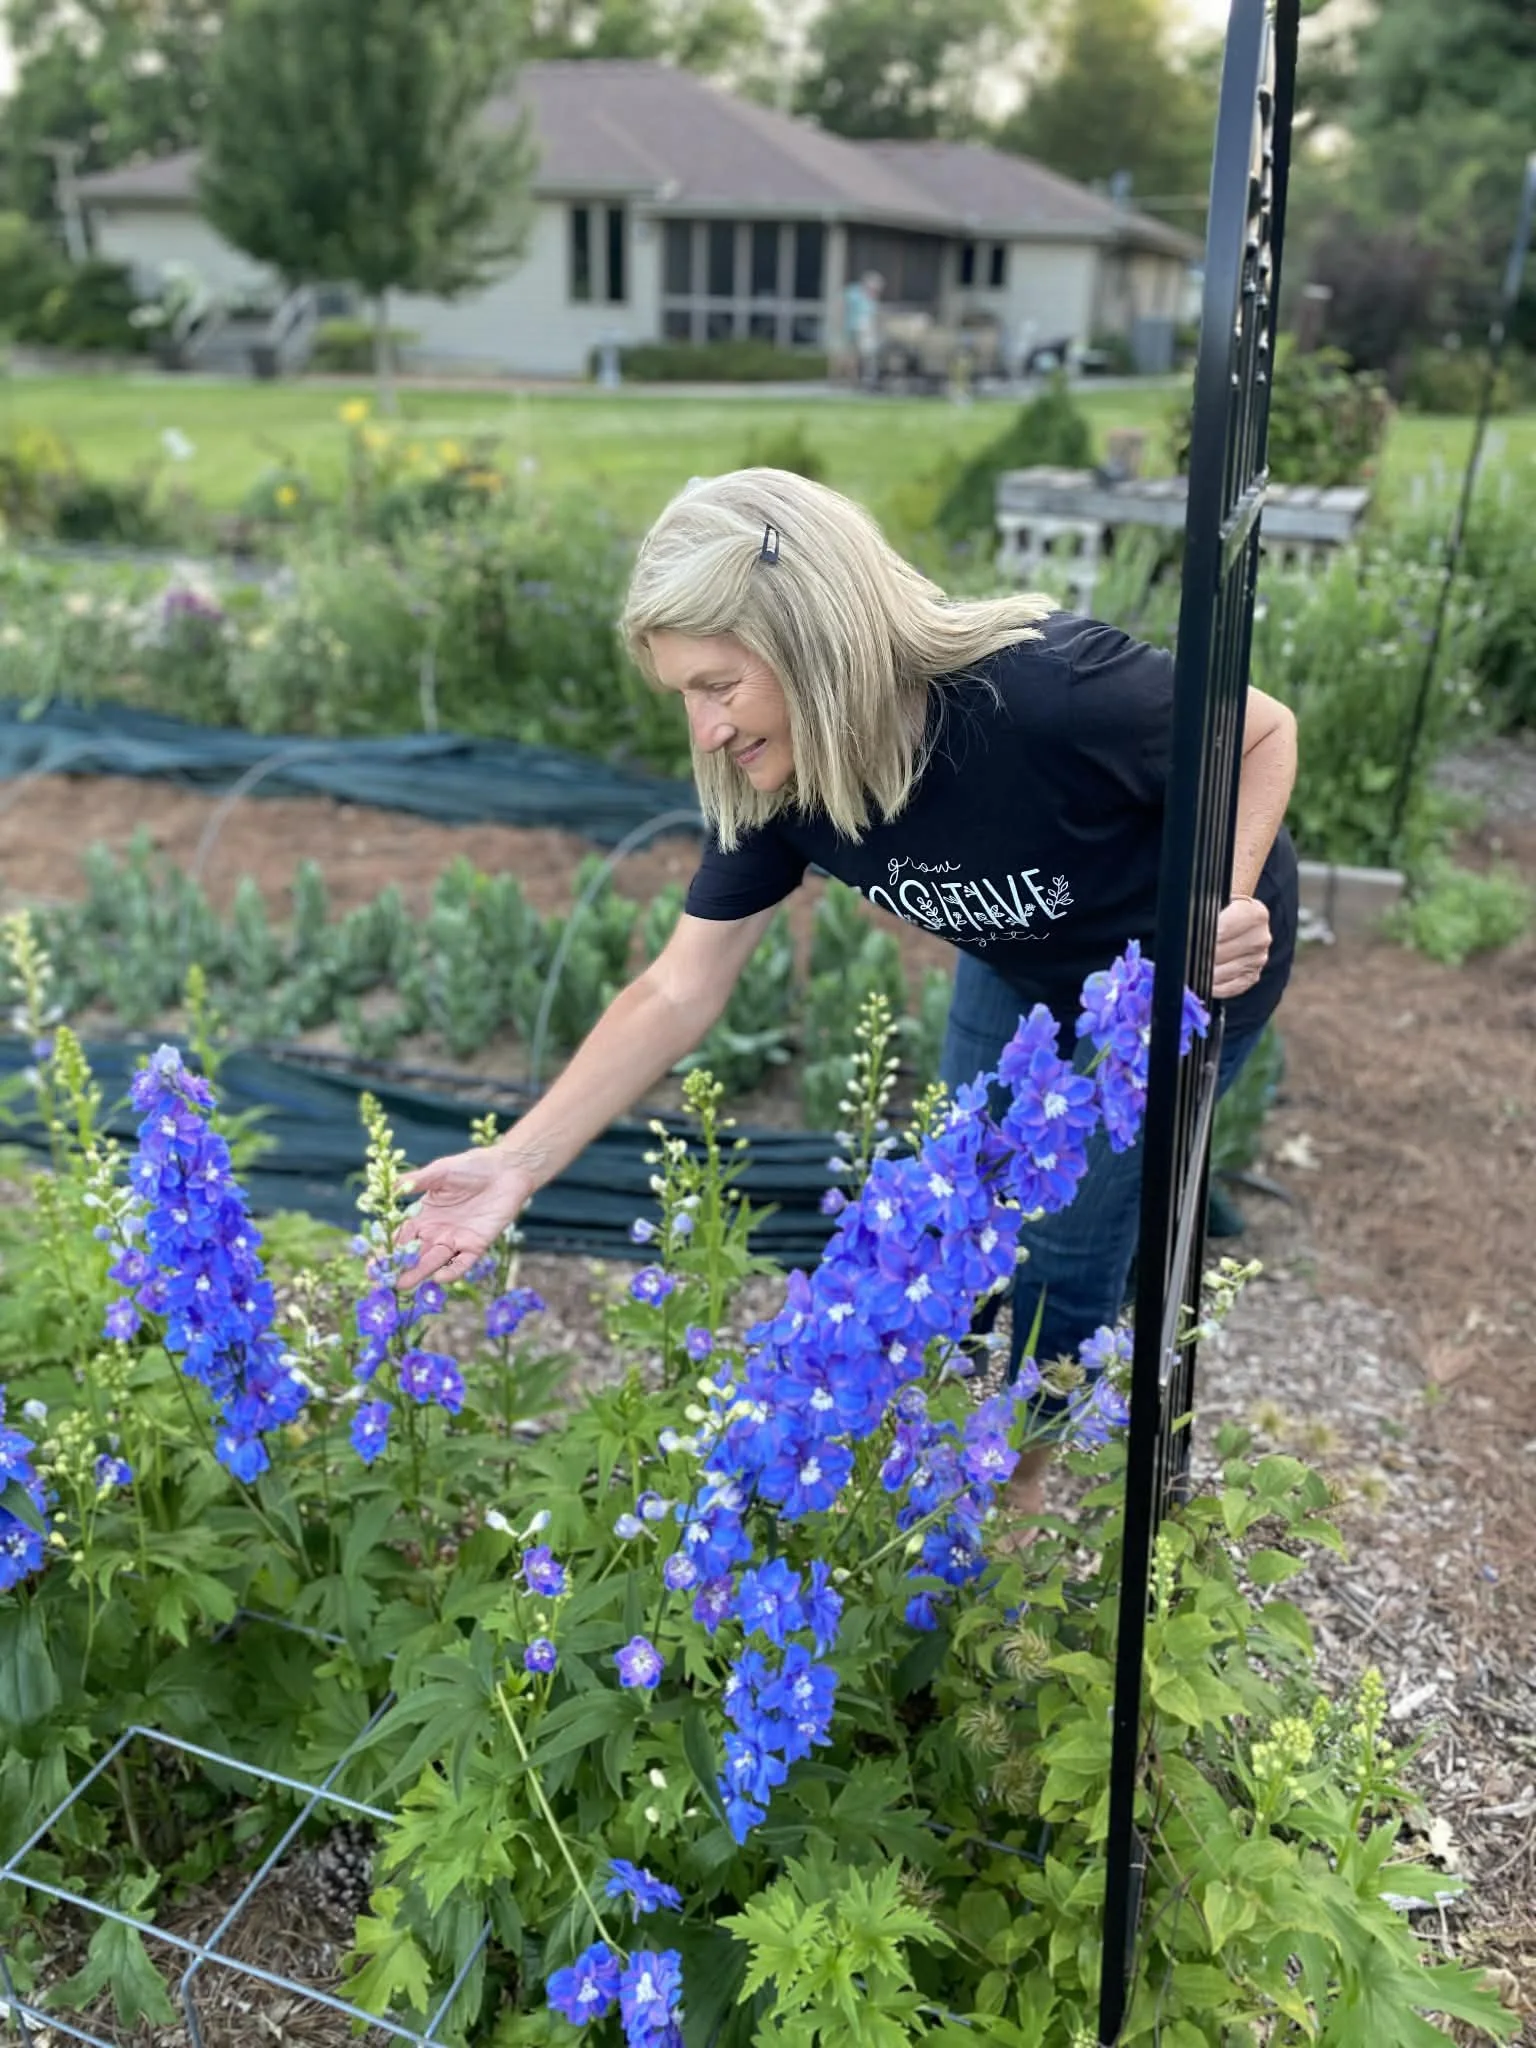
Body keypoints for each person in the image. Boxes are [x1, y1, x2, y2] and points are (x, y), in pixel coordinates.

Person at [396, 468, 1299, 1510]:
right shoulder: (778, 787)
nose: (705, 730)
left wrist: (1220, 901)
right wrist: (516, 1162)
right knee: (957, 1198)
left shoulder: (1044, 691)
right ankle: (933, 1452)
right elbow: (679, 989)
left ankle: (1017, 1487)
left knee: (1073, 1234)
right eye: (685, 695)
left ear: (807, 637)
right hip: (1021, 967)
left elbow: (1260, 730)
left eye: (717, 684)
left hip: (1178, 974)